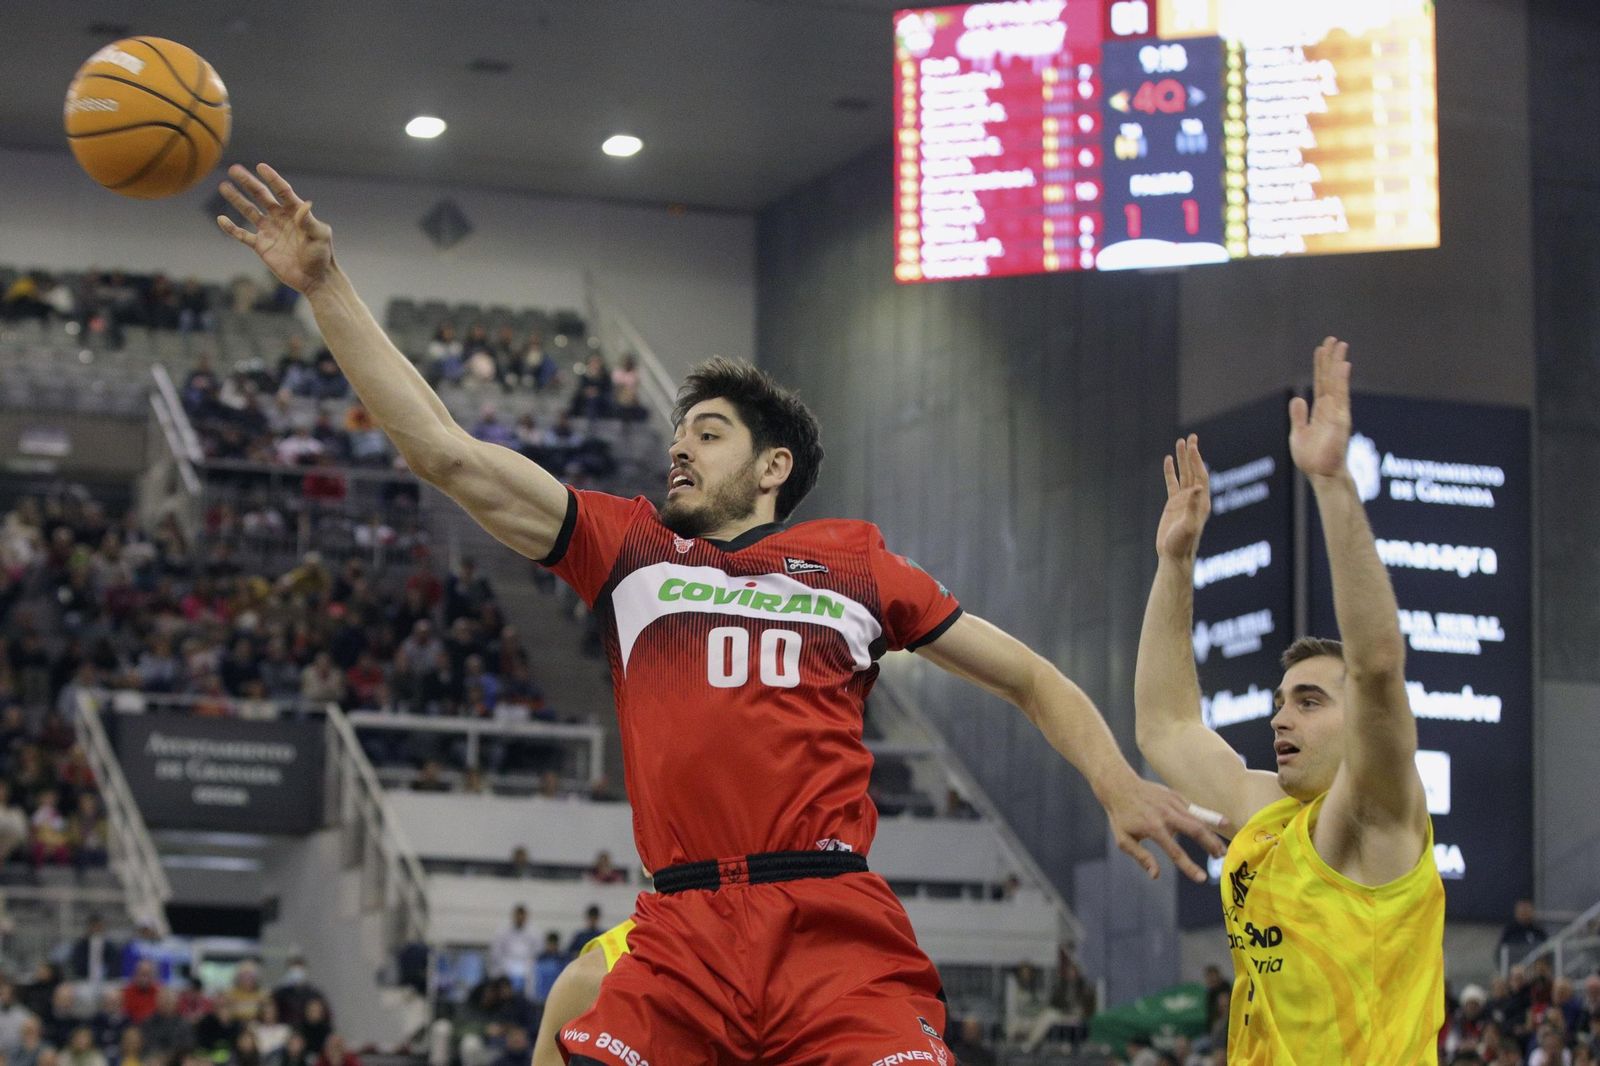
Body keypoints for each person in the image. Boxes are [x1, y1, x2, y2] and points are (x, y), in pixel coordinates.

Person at [216, 162, 1222, 1064]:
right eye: (678, 434)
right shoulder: (629, 550)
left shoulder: (856, 563)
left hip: (828, 926)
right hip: (682, 931)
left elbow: (1032, 676)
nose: (680, 450)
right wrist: (323, 286)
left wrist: (1113, 780)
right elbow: (445, 452)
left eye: (707, 432)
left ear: (773, 467)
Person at [1133, 339, 1445, 1062]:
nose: (1280, 717)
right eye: (1281, 701)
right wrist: (1175, 565)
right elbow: (1167, 725)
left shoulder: (1381, 822)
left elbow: (1376, 666)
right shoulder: (1268, 816)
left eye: (1309, 701)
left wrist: (1333, 484)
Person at [489, 905, 539, 992]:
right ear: (514, 916)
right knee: (498, 973)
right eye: (517, 916)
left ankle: (528, 1000)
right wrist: (503, 963)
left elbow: (538, 950)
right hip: (506, 963)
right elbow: (496, 951)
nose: (520, 919)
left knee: (532, 975)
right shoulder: (502, 932)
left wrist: (530, 962)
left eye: (522, 916)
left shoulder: (534, 932)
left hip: (526, 963)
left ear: (525, 917)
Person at [1500, 899, 1548, 965]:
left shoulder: (1538, 931)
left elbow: (1547, 949)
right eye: (1522, 910)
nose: (1524, 913)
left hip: (1536, 969)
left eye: (1527, 910)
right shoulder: (1510, 931)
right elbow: (1501, 951)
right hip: (1515, 968)